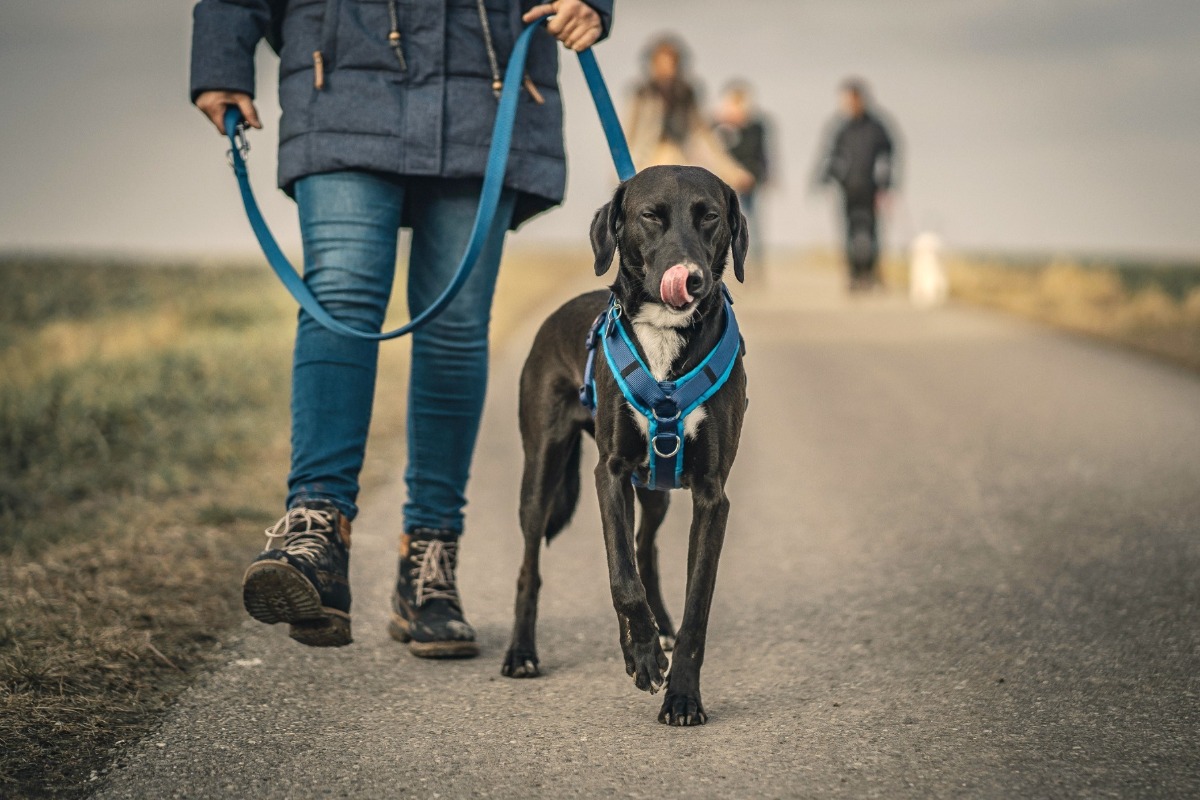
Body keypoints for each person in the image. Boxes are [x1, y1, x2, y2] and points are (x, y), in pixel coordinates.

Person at [190, 0, 613, 657]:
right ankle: (317, 534)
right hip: (341, 75)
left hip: (486, 82)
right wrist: (221, 52)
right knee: (340, 294)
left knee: (456, 323)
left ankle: (430, 562)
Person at [624, 36, 753, 194]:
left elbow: (704, 135)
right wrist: (623, 173)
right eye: (661, 64)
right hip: (647, 163)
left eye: (670, 64)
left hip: (679, 160)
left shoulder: (685, 94)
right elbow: (628, 134)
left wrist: (732, 172)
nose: (666, 70)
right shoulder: (642, 94)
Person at [818, 77, 897, 291]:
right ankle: (854, 275)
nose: (846, 104)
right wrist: (826, 177)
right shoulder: (841, 127)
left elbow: (889, 155)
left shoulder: (877, 127)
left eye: (850, 100)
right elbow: (831, 155)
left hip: (871, 189)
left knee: (871, 232)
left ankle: (870, 274)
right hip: (848, 188)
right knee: (850, 232)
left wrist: (887, 184)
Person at [712, 80, 771, 269]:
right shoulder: (717, 125)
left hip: (748, 183)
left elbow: (762, 154)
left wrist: (760, 176)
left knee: (750, 223)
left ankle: (753, 266)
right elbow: (712, 153)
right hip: (723, 182)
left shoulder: (755, 126)